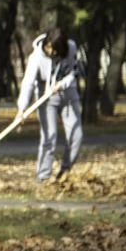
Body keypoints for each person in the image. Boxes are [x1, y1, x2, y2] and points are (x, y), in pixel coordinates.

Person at [18, 27, 83, 182]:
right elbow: (28, 82)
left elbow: (74, 72)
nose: (50, 51)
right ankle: (43, 177)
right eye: (48, 47)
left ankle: (64, 172)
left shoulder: (71, 48)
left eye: (54, 49)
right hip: (46, 99)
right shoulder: (36, 57)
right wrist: (22, 109)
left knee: (76, 136)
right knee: (49, 137)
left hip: (69, 96)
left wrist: (62, 84)